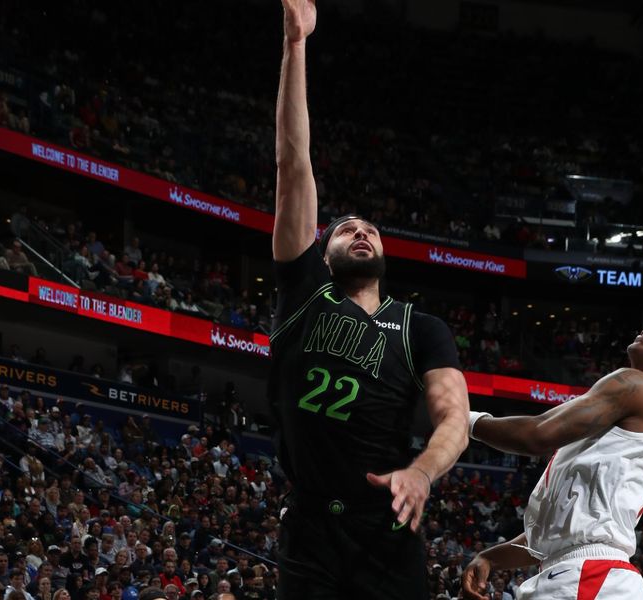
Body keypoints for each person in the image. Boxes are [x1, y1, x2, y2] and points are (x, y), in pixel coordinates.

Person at [268, 1, 469, 597]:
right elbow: (293, 162)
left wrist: (422, 471)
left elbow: (454, 418)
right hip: (309, 526)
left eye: (371, 229)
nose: (361, 231)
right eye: (345, 228)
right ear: (321, 252)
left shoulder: (420, 328)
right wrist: (296, 44)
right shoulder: (305, 292)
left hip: (386, 523)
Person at [462, 315, 643, 599]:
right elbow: (559, 537)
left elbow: (536, 435)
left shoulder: (638, 385)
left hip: (589, 578)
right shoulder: (632, 411)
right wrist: (492, 558)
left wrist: (461, 421)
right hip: (583, 574)